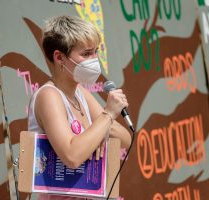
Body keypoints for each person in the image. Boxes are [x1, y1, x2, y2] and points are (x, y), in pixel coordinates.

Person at [28, 15, 132, 200]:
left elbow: (125, 139)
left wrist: (99, 132)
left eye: (95, 52)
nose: (94, 60)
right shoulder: (49, 95)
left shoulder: (80, 93)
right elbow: (72, 156)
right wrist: (107, 116)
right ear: (59, 57)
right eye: (86, 54)